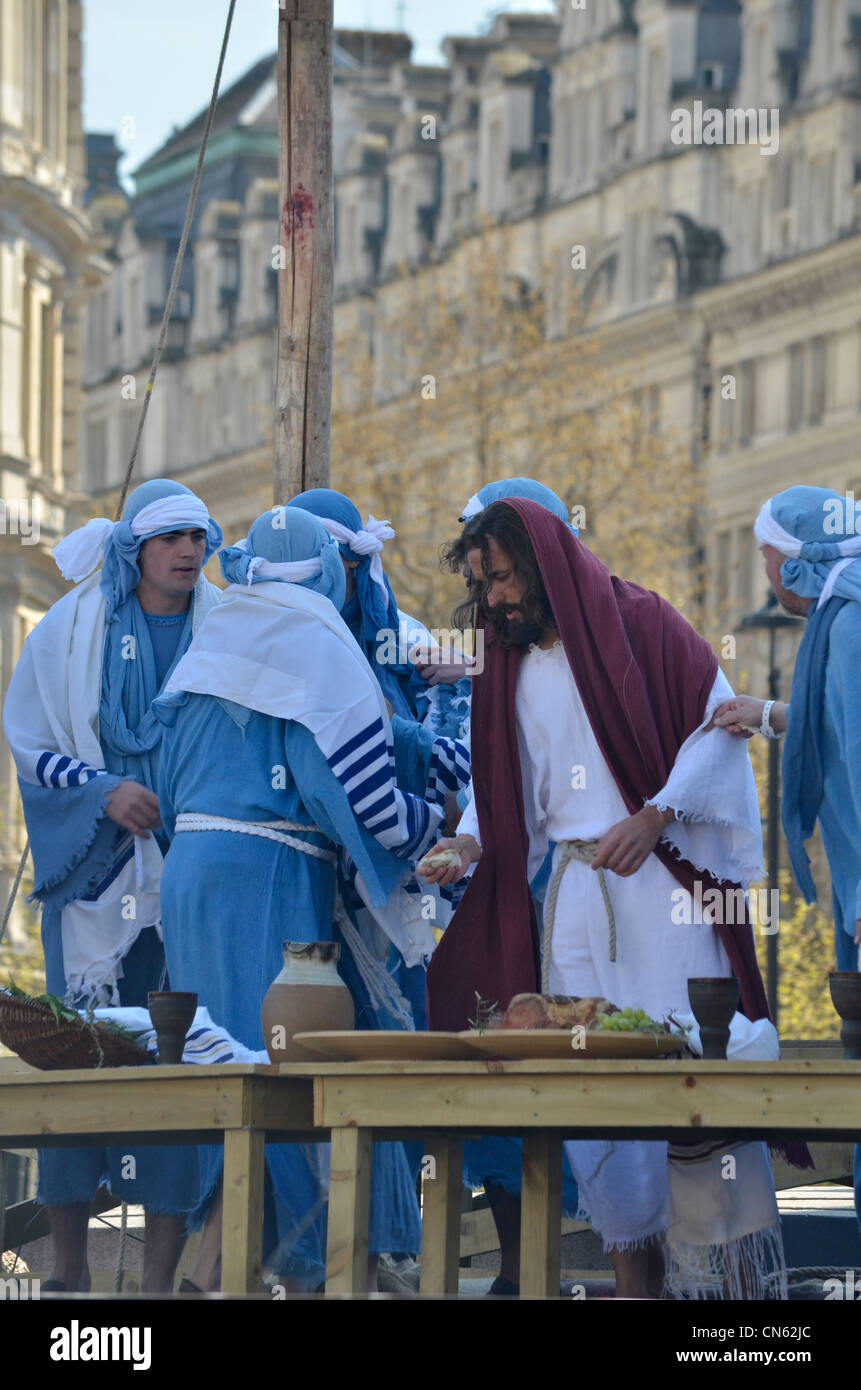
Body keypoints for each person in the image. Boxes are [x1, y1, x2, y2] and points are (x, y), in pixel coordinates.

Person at [420, 498, 784, 1299]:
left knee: (690, 1079)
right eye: (482, 585)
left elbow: (719, 726)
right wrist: (470, 843)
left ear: (545, 560)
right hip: (578, 899)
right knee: (590, 1094)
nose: (494, 601)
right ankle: (634, 1290)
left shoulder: (643, 624)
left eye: (504, 579)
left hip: (661, 890)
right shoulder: (504, 659)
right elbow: (502, 778)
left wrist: (655, 816)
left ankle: (732, 1304)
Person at [154, 506, 447, 1290]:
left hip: (188, 873)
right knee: (284, 1084)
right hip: (268, 874)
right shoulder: (315, 643)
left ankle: (207, 1279)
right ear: (327, 569)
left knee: (229, 1078)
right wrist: (437, 826)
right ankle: (317, 1275)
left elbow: (163, 770)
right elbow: (348, 799)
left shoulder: (217, 634)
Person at [3, 478, 223, 1292]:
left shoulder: (224, 627)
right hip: (93, 874)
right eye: (170, 539)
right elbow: (28, 738)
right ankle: (67, 1276)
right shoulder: (69, 629)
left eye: (198, 538)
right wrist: (104, 792)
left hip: (187, 875)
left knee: (173, 1073)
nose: (187, 552)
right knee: (75, 1062)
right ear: (136, 548)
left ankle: (159, 1286)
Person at [709, 484, 861, 1229]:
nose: (765, 571)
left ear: (796, 562)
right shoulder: (847, 610)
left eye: (768, 554)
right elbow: (837, 724)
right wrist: (769, 715)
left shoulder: (852, 620)